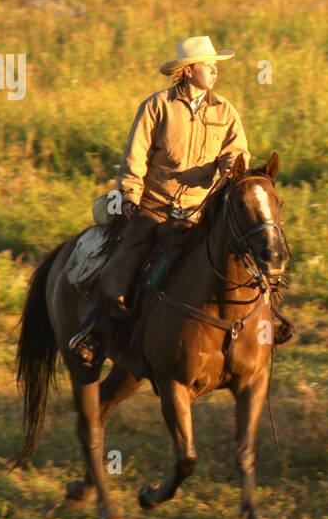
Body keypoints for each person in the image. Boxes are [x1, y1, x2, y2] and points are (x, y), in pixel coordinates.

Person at [69, 35, 250, 362]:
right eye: (208, 65)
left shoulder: (226, 111)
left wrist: (231, 170)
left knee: (245, 259)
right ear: (187, 70)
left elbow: (236, 153)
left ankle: (257, 330)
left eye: (215, 65)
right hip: (154, 208)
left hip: (199, 212)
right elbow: (134, 158)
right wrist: (130, 197)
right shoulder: (156, 107)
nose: (214, 71)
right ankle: (92, 333)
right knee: (120, 270)